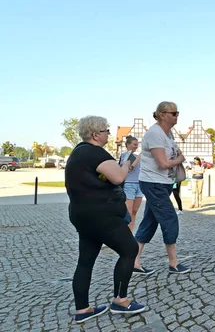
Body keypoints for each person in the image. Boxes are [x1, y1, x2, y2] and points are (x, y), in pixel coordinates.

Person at [65, 116, 145, 323]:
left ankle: (82, 309)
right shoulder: (96, 152)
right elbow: (118, 177)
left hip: (81, 214)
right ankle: (121, 301)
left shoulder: (77, 153)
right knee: (129, 250)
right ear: (95, 134)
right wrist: (127, 165)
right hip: (103, 214)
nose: (108, 133)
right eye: (106, 130)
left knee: (85, 261)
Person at [134, 101, 190, 275]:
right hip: (154, 183)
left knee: (149, 222)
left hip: (163, 183)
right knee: (170, 219)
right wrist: (179, 160)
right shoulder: (154, 134)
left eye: (177, 113)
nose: (177, 116)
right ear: (163, 114)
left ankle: (133, 262)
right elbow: (163, 163)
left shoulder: (168, 133)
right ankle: (173, 262)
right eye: (174, 113)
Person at [119, 136, 143, 232]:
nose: (136, 146)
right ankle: (124, 232)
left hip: (139, 185)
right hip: (129, 184)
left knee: (134, 211)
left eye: (137, 145)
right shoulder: (125, 155)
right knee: (128, 211)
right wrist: (139, 157)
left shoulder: (138, 156)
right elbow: (129, 167)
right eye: (134, 144)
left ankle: (130, 232)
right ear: (128, 145)